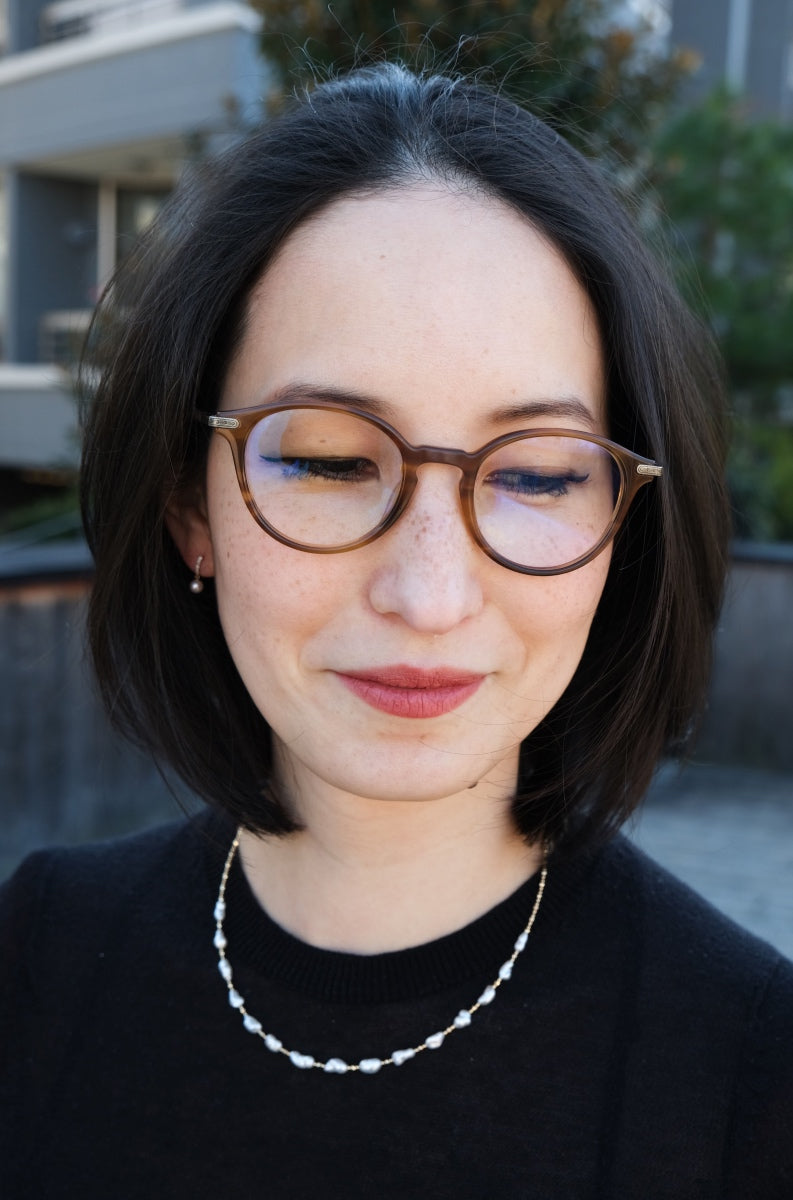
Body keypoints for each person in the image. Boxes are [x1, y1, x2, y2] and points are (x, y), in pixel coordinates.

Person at [1, 63, 791, 1198]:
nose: (428, 596)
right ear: (191, 510)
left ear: (624, 532)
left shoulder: (749, 1078)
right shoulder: (38, 958)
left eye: (533, 474)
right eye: (325, 459)